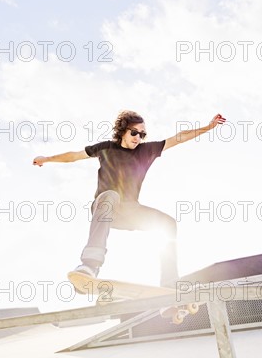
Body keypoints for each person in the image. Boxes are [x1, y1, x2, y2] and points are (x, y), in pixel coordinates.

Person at [33, 110, 226, 288]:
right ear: (122, 131)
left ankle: (169, 284)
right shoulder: (105, 148)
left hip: (131, 211)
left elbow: (178, 138)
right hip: (106, 208)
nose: (138, 138)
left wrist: (208, 127)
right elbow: (73, 156)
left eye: (142, 134)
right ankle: (90, 266)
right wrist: (47, 158)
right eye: (134, 133)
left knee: (167, 223)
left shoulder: (146, 150)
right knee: (110, 195)